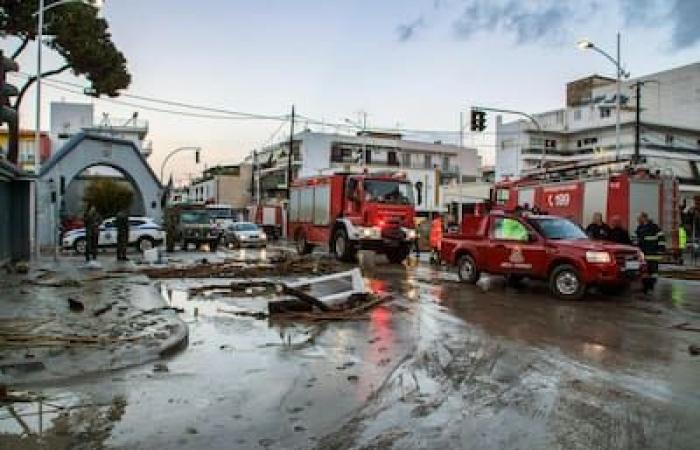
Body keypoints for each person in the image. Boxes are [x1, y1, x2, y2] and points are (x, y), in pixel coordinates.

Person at [636, 212, 665, 294]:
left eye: (639, 218)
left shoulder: (654, 227)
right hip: (644, 255)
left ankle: (650, 287)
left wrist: (661, 250)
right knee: (644, 272)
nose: (638, 220)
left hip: (653, 254)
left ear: (644, 218)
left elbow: (661, 239)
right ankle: (645, 288)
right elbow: (639, 242)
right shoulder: (640, 228)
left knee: (653, 272)